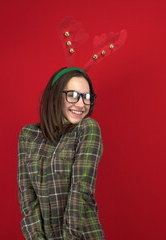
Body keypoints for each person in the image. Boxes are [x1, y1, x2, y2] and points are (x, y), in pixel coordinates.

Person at [18, 67, 105, 240]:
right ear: (55, 96)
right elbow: (26, 196)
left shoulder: (88, 128)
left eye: (86, 97)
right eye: (72, 95)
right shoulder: (28, 135)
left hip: (82, 235)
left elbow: (81, 190)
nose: (81, 104)